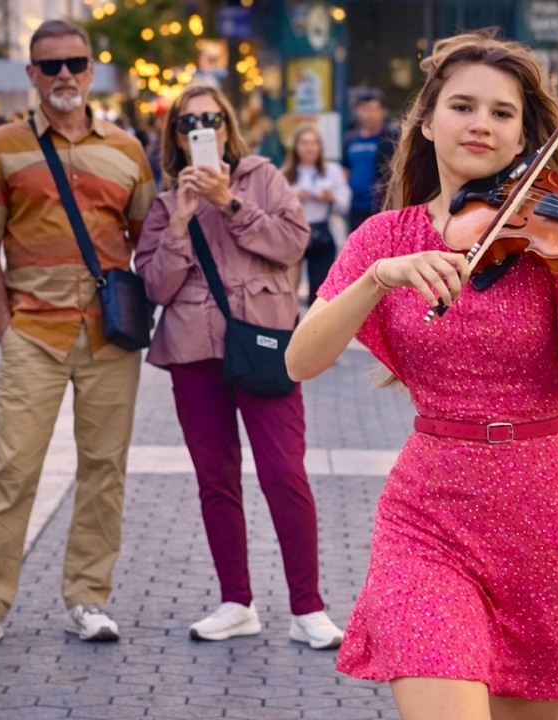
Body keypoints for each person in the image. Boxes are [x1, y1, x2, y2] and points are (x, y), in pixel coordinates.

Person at [284, 29, 558, 719]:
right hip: (427, 514)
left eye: (502, 113)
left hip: (548, 517)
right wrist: (378, 279)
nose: (481, 125)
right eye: (463, 106)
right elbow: (301, 359)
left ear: (525, 140)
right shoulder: (387, 239)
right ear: (428, 121)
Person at [0, 19, 157, 649]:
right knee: (10, 468)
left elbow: (149, 240)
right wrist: (3, 326)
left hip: (108, 339)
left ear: (92, 70)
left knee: (104, 469)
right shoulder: (2, 146)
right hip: (32, 332)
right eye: (51, 65)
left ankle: (89, 598)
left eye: (75, 62)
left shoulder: (127, 149)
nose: (64, 74)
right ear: (32, 74)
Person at [135, 86, 345, 648]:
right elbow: (154, 285)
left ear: (227, 126)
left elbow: (293, 243)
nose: (202, 127)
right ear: (175, 135)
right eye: (189, 122)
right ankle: (237, 602)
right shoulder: (162, 203)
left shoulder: (264, 178)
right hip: (192, 349)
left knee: (284, 471)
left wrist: (230, 202)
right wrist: (180, 222)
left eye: (212, 117)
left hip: (264, 341)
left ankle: (308, 607)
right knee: (216, 480)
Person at [284, 124, 351, 306]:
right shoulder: (284, 175)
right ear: (296, 147)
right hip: (293, 232)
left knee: (320, 291)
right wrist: (293, 198)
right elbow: (274, 208)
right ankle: (290, 330)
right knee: (289, 291)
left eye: (314, 143)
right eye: (304, 143)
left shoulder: (332, 171)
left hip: (322, 232)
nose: (309, 147)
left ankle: (313, 331)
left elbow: (344, 204)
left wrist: (330, 198)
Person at [343, 88, 399, 232]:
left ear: (383, 111)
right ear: (356, 111)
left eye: (375, 109)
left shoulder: (392, 137)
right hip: (354, 207)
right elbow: (345, 169)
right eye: (365, 109)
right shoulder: (349, 139)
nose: (370, 114)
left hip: (382, 206)